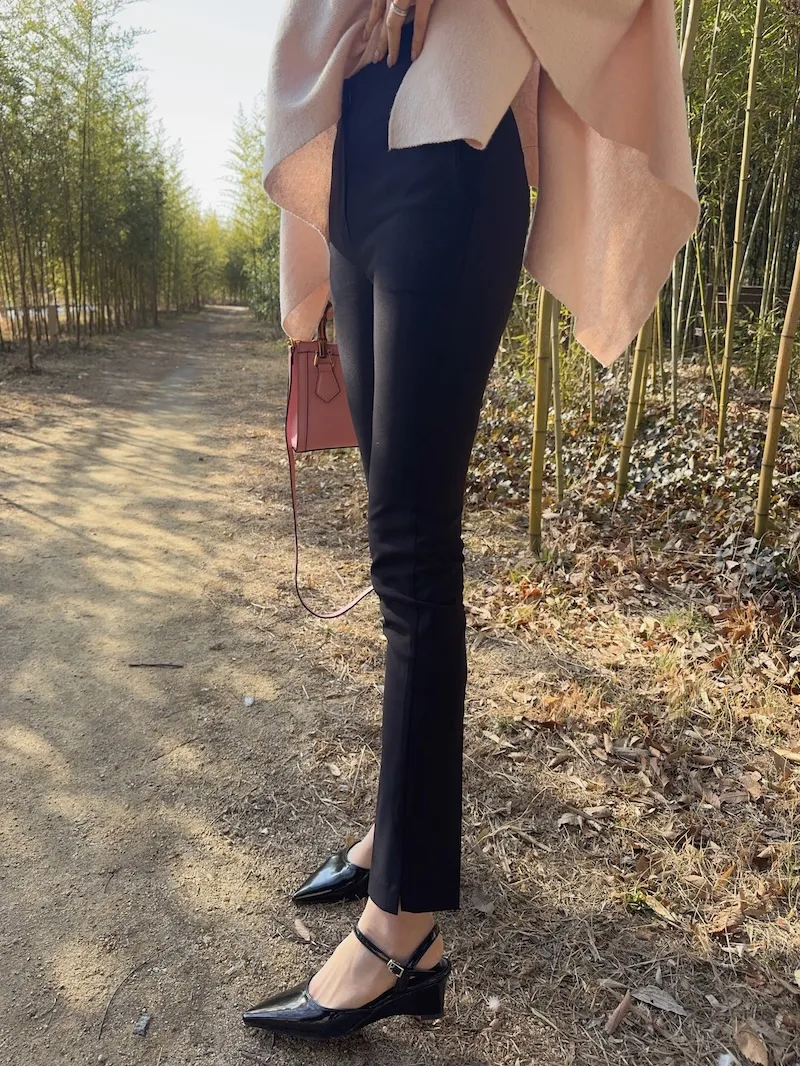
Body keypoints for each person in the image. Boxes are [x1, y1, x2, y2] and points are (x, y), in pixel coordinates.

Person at [243, 0, 699, 1041]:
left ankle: (402, 930)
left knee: (415, 547)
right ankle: (395, 836)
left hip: (453, 148)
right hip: (357, 148)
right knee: (394, 547)